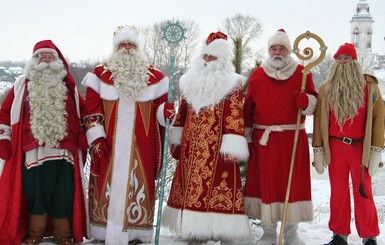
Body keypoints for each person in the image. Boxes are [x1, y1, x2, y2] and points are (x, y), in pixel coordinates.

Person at [81, 25, 174, 245]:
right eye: (122, 44)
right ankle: (103, 232)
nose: (126, 48)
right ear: (115, 48)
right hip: (108, 145)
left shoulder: (157, 78)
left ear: (138, 47)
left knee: (138, 185)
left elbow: (161, 114)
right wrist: (96, 138)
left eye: (130, 44)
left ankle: (135, 233)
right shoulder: (99, 75)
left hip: (140, 147)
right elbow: (91, 110)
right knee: (107, 184)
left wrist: (167, 112)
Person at [161, 31, 251, 243]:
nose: (208, 61)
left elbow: (235, 116)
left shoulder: (232, 83)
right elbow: (182, 113)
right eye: (206, 56)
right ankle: (194, 231)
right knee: (192, 188)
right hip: (191, 147)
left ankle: (218, 231)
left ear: (222, 60)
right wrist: (176, 136)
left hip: (217, 147)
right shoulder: (188, 81)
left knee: (218, 188)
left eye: (213, 57)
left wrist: (232, 144)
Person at [0, 40, 88, 245]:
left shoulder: (69, 88)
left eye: (50, 57)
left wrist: (84, 134)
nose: (46, 61)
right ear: (34, 61)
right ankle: (35, 232)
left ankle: (63, 234)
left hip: (64, 150)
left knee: (64, 191)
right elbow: (4, 114)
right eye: (42, 57)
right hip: (32, 149)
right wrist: (4, 139)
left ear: (58, 61)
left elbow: (84, 113)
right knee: (35, 191)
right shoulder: (21, 87)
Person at [243, 29, 318, 245]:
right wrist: (247, 138)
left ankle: (291, 232)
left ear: (289, 51)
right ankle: (268, 233)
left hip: (291, 138)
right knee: (266, 183)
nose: (277, 52)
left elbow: (314, 104)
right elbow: (247, 109)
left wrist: (307, 103)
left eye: (282, 48)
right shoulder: (258, 74)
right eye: (273, 48)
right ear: (268, 51)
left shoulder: (303, 74)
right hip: (263, 140)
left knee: (291, 183)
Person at [312, 43, 384, 245]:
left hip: (360, 148)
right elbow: (319, 120)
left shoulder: (370, 86)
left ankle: (369, 236)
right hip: (335, 148)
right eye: (339, 58)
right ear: (335, 62)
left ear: (355, 62)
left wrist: (377, 149)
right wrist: (318, 148)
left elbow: (379, 119)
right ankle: (339, 234)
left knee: (364, 191)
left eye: (347, 58)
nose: (343, 62)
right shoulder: (326, 88)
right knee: (338, 192)